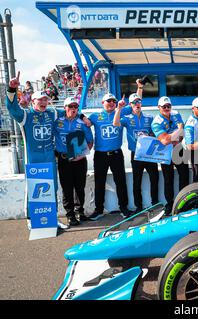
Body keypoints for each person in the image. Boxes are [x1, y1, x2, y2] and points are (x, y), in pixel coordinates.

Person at [6, 72, 85, 230]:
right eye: (40, 100)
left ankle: (52, 218)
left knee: (53, 187)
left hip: (49, 156)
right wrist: (11, 89)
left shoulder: (52, 113)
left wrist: (83, 117)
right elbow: (13, 108)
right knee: (33, 188)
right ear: (33, 101)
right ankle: (31, 218)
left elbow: (69, 111)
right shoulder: (26, 115)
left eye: (45, 99)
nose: (43, 102)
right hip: (34, 157)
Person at [113, 87, 159, 213]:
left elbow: (155, 133)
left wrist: (151, 136)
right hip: (136, 155)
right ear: (130, 105)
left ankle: (154, 203)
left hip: (149, 154)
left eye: (138, 102)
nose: (137, 104)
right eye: (134, 103)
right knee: (136, 181)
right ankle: (139, 207)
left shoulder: (149, 117)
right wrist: (119, 108)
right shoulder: (127, 118)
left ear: (141, 103)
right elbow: (115, 123)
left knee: (154, 179)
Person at [88, 93, 131, 220]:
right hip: (100, 155)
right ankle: (99, 210)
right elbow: (83, 124)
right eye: (108, 101)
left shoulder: (121, 112)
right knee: (99, 183)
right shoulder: (95, 116)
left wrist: (139, 87)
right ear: (102, 103)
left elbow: (136, 102)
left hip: (116, 154)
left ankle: (124, 208)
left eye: (113, 101)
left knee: (121, 182)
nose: (111, 103)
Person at [54, 97, 93, 226]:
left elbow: (90, 141)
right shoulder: (57, 121)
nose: (73, 109)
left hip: (80, 160)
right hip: (64, 159)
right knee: (67, 188)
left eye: (75, 107)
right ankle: (70, 215)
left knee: (80, 187)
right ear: (65, 108)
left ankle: (80, 212)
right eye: (70, 106)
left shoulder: (82, 122)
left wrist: (82, 155)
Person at [151, 96, 189, 215]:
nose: (167, 108)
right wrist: (178, 131)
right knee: (168, 179)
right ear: (159, 107)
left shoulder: (176, 114)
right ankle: (170, 204)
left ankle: (184, 201)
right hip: (165, 152)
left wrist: (176, 136)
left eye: (169, 106)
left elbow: (182, 135)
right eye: (164, 106)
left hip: (178, 149)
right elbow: (165, 141)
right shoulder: (156, 121)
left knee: (184, 175)